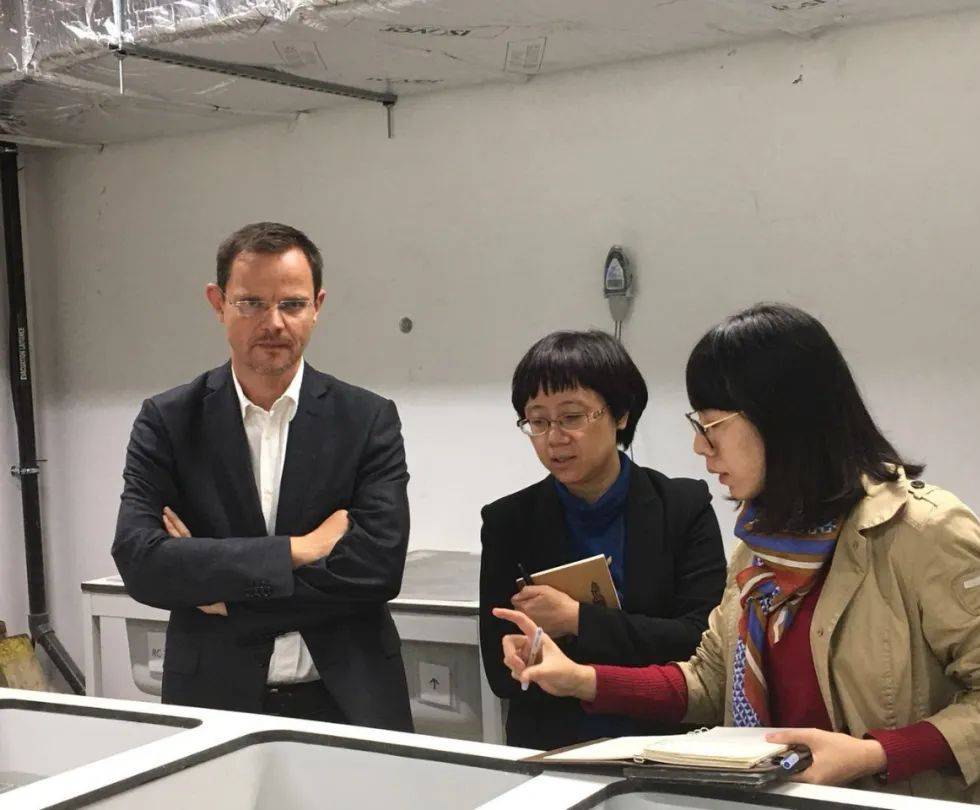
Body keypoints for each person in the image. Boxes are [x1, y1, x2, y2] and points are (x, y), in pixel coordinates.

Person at [495, 304, 980, 804]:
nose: (699, 446)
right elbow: (710, 682)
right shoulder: (759, 546)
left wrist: (875, 754)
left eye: (712, 425)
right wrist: (582, 678)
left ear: (784, 420)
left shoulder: (918, 532)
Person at [112, 222, 412, 730]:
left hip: (350, 701)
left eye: (292, 304)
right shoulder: (168, 421)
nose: (273, 322)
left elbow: (376, 570)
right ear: (218, 302)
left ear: (317, 306)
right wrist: (299, 550)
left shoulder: (367, 419)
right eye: (251, 303)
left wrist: (224, 593)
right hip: (213, 701)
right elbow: (142, 562)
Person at [480, 330, 728, 749]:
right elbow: (500, 675)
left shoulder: (682, 507)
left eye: (572, 417)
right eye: (538, 421)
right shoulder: (508, 521)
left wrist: (578, 621)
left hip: (664, 742)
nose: (554, 438)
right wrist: (520, 655)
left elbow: (700, 644)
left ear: (621, 413)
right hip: (553, 745)